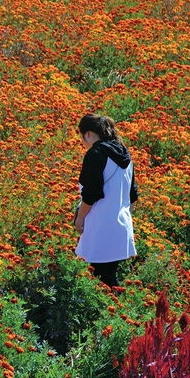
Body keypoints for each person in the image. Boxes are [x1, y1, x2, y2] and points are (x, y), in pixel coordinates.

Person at [73, 113, 138, 288]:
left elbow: (92, 192)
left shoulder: (95, 153)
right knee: (108, 276)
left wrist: (80, 217)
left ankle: (114, 312)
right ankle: (116, 312)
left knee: (98, 279)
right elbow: (132, 195)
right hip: (122, 224)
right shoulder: (125, 154)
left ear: (86, 134)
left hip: (100, 226)